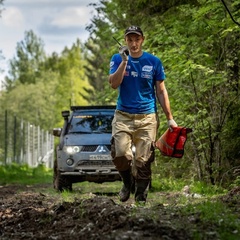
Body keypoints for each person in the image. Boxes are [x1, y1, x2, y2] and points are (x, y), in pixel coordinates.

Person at [109, 25, 177, 203]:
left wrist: (170, 118)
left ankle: (140, 197)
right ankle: (126, 182)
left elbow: (161, 91)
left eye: (136, 39)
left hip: (147, 117)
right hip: (123, 115)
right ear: (125, 41)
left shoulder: (153, 62)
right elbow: (113, 84)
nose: (133, 43)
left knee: (143, 160)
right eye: (130, 39)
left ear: (142, 40)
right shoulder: (117, 59)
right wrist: (124, 61)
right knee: (121, 154)